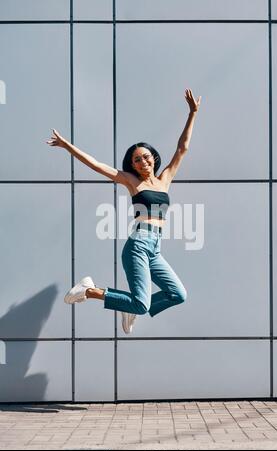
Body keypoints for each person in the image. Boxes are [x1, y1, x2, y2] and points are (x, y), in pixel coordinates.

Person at [46, 88, 201, 334]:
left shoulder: (164, 179)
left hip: (155, 248)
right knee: (141, 302)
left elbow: (182, 148)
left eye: (146, 157)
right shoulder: (131, 181)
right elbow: (97, 165)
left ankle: (131, 306)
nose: (143, 162)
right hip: (139, 244)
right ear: (132, 165)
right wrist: (68, 146)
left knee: (177, 294)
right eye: (137, 160)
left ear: (153, 158)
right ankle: (90, 290)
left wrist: (192, 114)